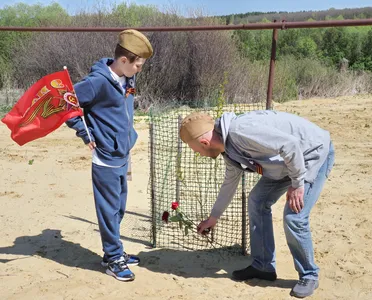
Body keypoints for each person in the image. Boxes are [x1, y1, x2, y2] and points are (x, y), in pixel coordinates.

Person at [179, 110, 335, 298]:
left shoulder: (240, 131)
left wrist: (297, 184)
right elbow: (230, 183)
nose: (199, 154)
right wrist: (214, 217)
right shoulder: (228, 150)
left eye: (196, 151)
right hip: (285, 165)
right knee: (257, 201)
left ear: (204, 143)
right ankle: (263, 266)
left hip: (311, 155)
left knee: (294, 216)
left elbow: (291, 145)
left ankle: (309, 275)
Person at [66, 29, 153, 282]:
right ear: (124, 60)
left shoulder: (127, 79)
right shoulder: (98, 82)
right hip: (105, 156)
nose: (139, 69)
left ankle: (113, 252)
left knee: (119, 207)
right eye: (137, 65)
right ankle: (113, 258)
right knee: (108, 209)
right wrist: (85, 133)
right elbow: (66, 103)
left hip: (123, 154)